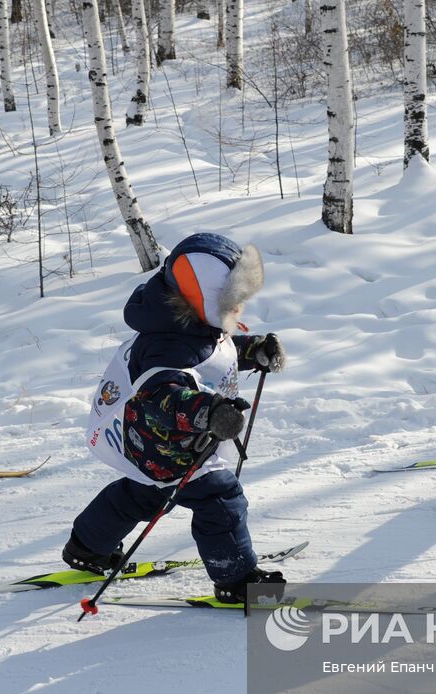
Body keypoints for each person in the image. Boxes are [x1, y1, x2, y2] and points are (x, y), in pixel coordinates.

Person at [68, 233, 289, 603]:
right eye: (232, 300)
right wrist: (209, 412)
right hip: (168, 441)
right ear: (204, 295)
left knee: (143, 494)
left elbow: (209, 353)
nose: (239, 308)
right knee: (220, 499)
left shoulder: (185, 322)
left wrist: (253, 350)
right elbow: (162, 396)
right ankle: (236, 581)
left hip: (147, 441)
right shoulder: (167, 345)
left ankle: (86, 548)